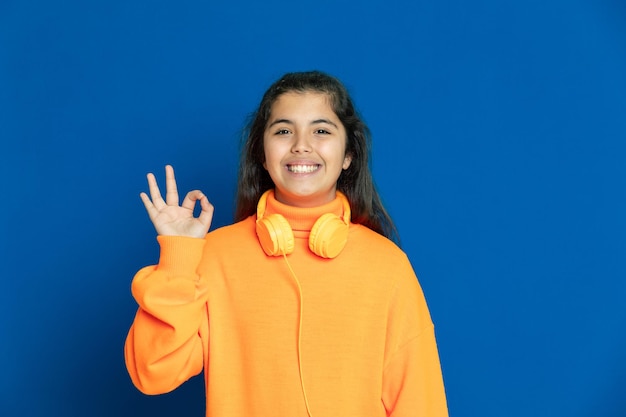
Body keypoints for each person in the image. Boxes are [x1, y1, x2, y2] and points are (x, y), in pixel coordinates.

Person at [124, 70, 448, 416]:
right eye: (283, 131)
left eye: (321, 130)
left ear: (348, 155)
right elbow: (152, 373)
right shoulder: (215, 257)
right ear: (262, 155)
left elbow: (420, 404)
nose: (301, 145)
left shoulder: (388, 266)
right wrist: (178, 258)